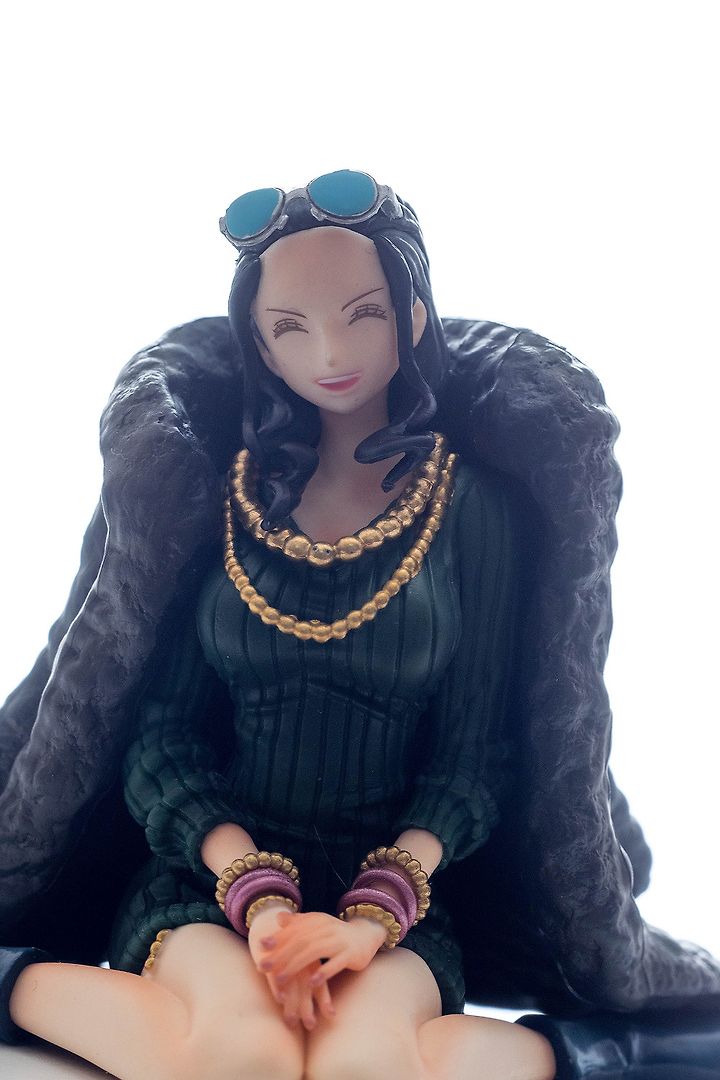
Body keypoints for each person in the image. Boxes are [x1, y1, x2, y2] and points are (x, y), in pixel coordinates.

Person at [1, 171, 719, 1079]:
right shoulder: (221, 493)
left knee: (363, 1069)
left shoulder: (474, 509)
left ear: (412, 317)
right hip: (207, 878)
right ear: (260, 346)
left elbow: (475, 758)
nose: (331, 351)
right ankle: (14, 984)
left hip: (396, 897)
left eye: (363, 314)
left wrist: (374, 916)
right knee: (242, 1058)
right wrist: (256, 894)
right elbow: (162, 735)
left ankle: (607, 1052)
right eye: (290, 328)